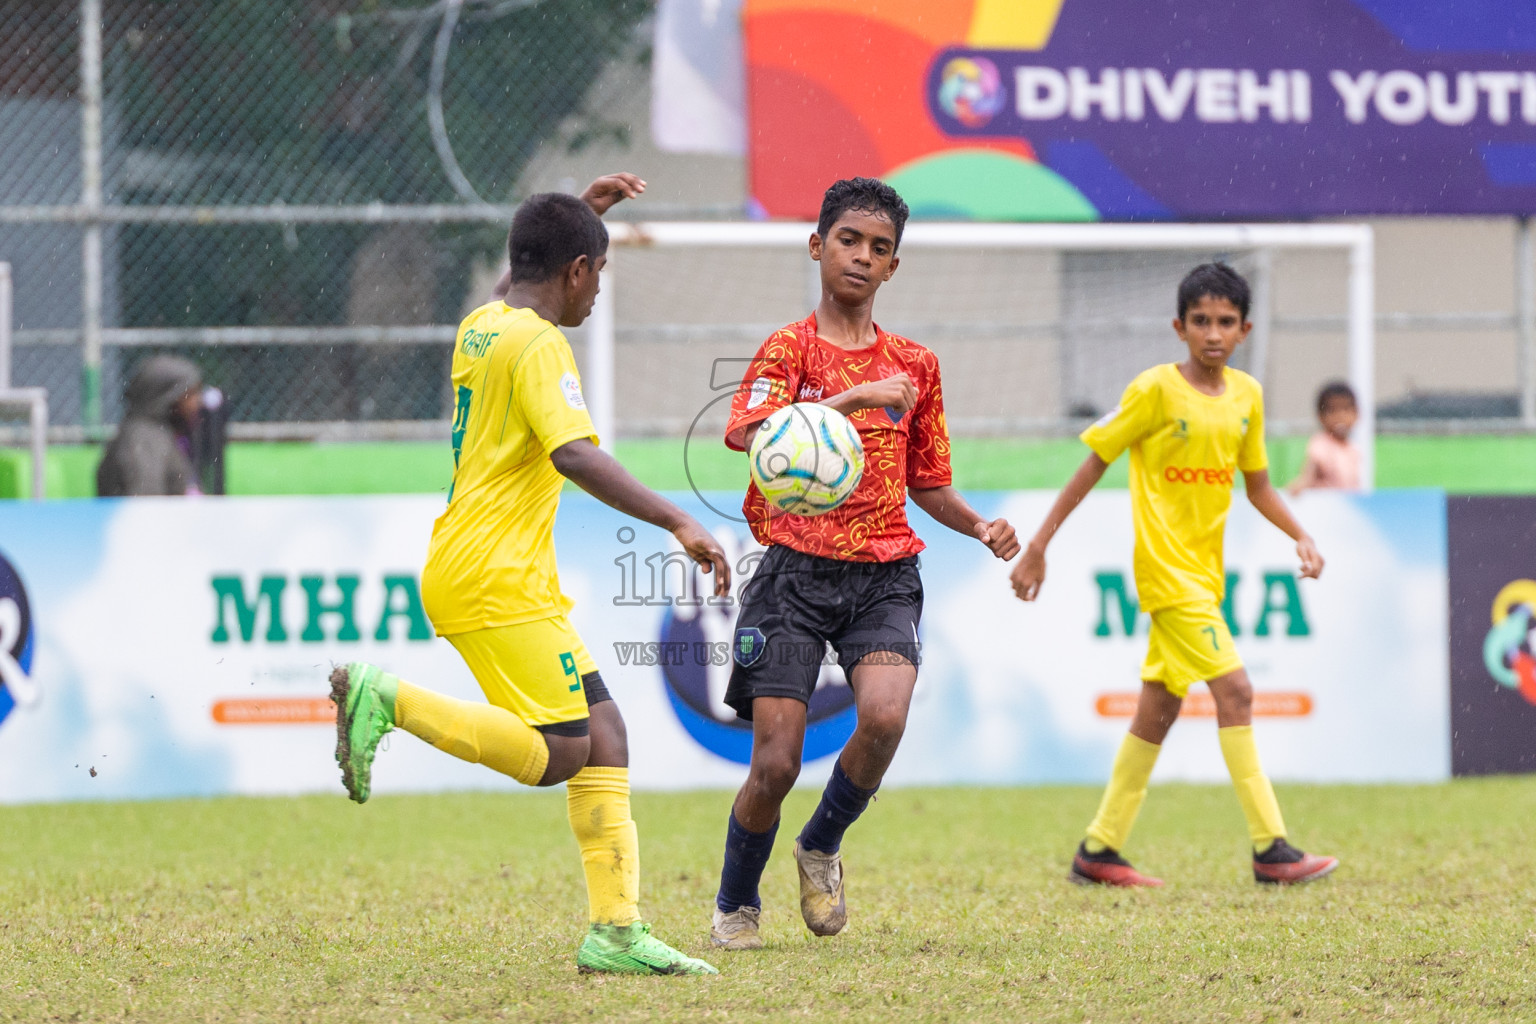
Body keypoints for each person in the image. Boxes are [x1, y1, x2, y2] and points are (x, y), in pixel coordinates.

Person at [329, 173, 729, 976]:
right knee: (560, 753)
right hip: (494, 576)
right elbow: (574, 453)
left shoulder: (484, 325)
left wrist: (583, 215)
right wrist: (679, 519)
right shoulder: (541, 344)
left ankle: (615, 933)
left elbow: (514, 283)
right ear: (577, 270)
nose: (598, 292)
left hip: (498, 572)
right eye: (599, 272)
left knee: (606, 736)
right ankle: (388, 698)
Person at [709, 178, 1019, 951]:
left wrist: (979, 525)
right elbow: (746, 431)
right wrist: (853, 400)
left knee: (883, 717)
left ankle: (820, 845)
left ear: (893, 268)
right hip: (792, 574)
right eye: (849, 240)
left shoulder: (916, 366)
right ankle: (736, 905)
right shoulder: (790, 348)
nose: (862, 256)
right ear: (818, 246)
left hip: (883, 572)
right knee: (776, 763)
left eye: (879, 248)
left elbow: (929, 483)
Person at [1009, 263, 1338, 887]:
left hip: (1205, 576)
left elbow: (1260, 485)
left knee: (1157, 708)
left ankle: (1099, 849)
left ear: (1243, 330)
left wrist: (1301, 534)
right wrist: (1039, 546)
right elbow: (1093, 463)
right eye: (1200, 322)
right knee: (1237, 692)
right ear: (1179, 327)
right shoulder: (1155, 390)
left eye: (1224, 322)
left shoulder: (1248, 396)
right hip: (1166, 577)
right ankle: (1273, 848)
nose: (1212, 333)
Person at [96, 355, 204, 496]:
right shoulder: (143, 440)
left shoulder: (159, 434)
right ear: (167, 397)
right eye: (190, 395)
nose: (197, 403)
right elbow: (147, 508)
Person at [1287, 381, 1362, 494]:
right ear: (1321, 416)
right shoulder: (1321, 443)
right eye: (1332, 410)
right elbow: (1311, 469)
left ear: (1356, 414)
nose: (1340, 416)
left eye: (1346, 409)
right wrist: (1302, 483)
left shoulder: (1353, 449)